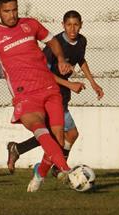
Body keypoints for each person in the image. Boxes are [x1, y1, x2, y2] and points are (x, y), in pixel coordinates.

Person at [0, 0, 74, 192]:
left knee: (57, 139)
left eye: (14, 10)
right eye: (6, 11)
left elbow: (52, 41)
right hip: (25, 95)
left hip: (49, 88)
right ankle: (67, 171)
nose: (12, 15)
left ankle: (40, 173)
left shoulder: (30, 24)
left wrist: (61, 59)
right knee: (40, 129)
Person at [7, 10, 104, 176]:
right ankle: (56, 168)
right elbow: (43, 72)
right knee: (58, 135)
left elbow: (81, 60)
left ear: (81, 25)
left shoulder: (82, 41)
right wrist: (70, 84)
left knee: (67, 135)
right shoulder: (55, 45)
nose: (72, 29)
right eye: (69, 25)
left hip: (63, 93)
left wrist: (93, 83)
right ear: (63, 26)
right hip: (49, 94)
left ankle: (20, 150)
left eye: (76, 25)